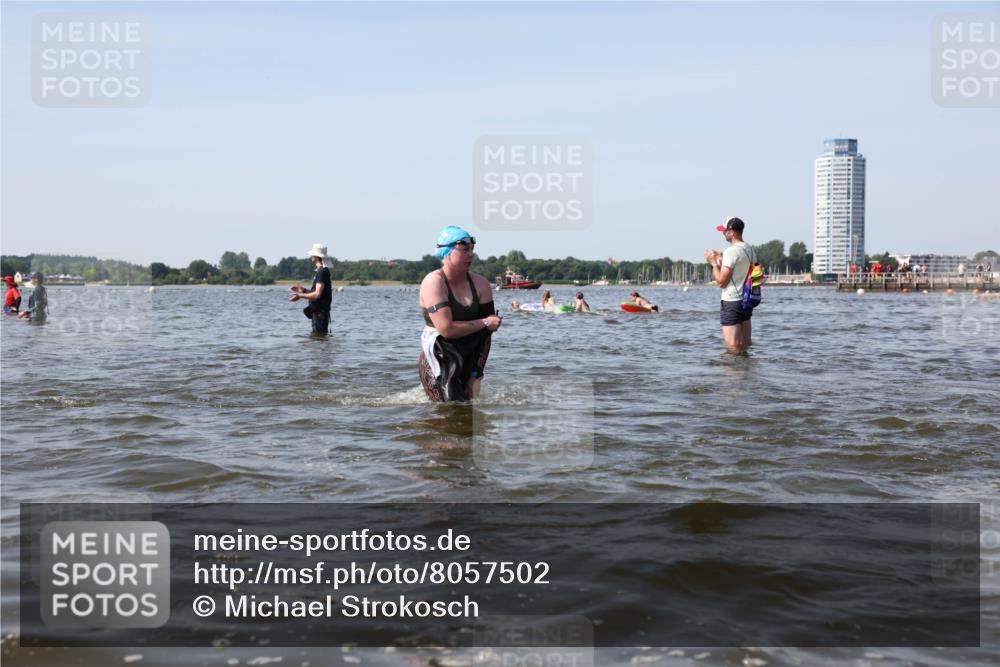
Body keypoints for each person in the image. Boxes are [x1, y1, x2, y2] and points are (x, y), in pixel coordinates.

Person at [418, 226, 501, 402]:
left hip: (468, 357)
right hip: (439, 359)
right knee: (449, 410)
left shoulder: (481, 284)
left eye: (472, 249)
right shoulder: (434, 282)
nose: (471, 254)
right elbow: (447, 329)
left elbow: (486, 336)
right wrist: (485, 322)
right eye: (464, 250)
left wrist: (476, 375)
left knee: (466, 410)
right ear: (446, 252)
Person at [704, 216, 758, 352]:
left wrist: (713, 264)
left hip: (732, 301)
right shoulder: (750, 249)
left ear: (732, 232)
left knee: (732, 346)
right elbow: (740, 267)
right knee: (745, 344)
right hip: (747, 300)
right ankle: (746, 371)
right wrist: (721, 259)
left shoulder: (731, 251)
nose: (723, 234)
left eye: (725, 231)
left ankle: (733, 373)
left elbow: (722, 282)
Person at [289, 243, 333, 334]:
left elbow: (317, 294)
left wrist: (300, 295)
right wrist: (303, 290)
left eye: (312, 254)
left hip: (320, 313)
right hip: (319, 313)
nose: (310, 256)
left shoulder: (321, 272)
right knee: (319, 340)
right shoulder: (322, 271)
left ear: (316, 256)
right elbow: (318, 293)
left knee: (319, 340)